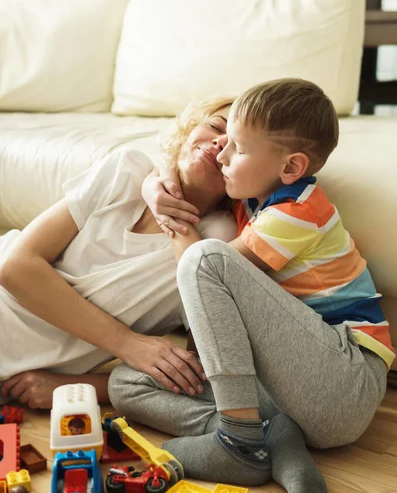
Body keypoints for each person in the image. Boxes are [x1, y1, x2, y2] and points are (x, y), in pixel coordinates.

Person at [109, 78, 393, 493]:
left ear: (291, 168)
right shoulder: (255, 200)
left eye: (236, 149)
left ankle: (237, 442)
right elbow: (173, 169)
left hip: (345, 380)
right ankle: (273, 438)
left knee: (206, 259)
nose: (221, 154)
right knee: (126, 382)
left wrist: (172, 220)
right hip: (290, 396)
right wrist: (159, 182)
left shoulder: (299, 212)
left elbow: (200, 274)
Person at [0, 97, 238, 409]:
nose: (220, 141)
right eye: (214, 126)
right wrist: (125, 342)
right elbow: (14, 267)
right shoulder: (128, 169)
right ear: (188, 130)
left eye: (237, 144)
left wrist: (77, 387)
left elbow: (202, 373)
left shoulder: (213, 243)